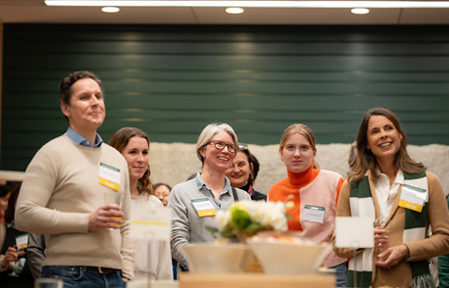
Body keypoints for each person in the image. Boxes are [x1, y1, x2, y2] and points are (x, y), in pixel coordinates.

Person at [15, 71, 134, 288]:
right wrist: (86, 221)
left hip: (115, 278)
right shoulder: (51, 153)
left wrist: (126, 270)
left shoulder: (115, 158)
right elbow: (24, 215)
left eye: (98, 96)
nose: (95, 103)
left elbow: (125, 222)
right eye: (85, 97)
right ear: (65, 108)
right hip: (68, 274)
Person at [334, 107, 449, 288]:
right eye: (375, 131)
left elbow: (445, 239)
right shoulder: (352, 186)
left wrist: (406, 250)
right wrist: (364, 236)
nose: (383, 135)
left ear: (400, 136)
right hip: (363, 282)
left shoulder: (428, 181)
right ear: (366, 144)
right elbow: (338, 243)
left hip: (411, 281)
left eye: (389, 128)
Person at [268, 123, 347, 287]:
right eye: (290, 147)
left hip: (331, 271)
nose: (297, 154)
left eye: (304, 148)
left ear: (314, 153)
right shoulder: (274, 192)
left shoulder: (335, 182)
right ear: (281, 153)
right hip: (289, 273)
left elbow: (350, 232)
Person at [168, 123, 251, 270]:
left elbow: (248, 243)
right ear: (202, 150)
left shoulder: (243, 198)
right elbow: (176, 242)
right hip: (197, 279)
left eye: (231, 147)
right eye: (219, 144)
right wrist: (207, 265)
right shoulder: (181, 192)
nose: (226, 151)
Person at [109, 127, 173, 281]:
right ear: (117, 155)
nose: (141, 159)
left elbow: (163, 261)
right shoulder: (107, 200)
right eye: (133, 152)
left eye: (145, 152)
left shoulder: (154, 205)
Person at [0, 183, 33, 288]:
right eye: (20, 199)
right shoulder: (2, 229)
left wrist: (16, 265)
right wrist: (4, 262)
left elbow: (45, 267)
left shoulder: (42, 233)